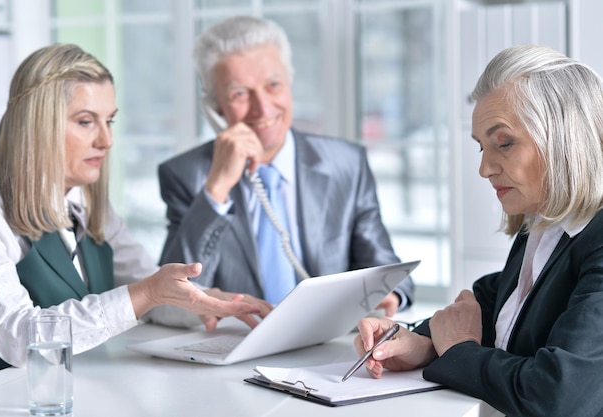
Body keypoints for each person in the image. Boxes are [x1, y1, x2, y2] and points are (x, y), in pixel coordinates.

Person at [0, 43, 271, 378]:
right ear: (36, 125)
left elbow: (151, 289)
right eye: (86, 121)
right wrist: (147, 293)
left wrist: (212, 302)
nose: (106, 140)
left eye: (110, 121)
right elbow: (18, 336)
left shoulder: (86, 204)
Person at [353, 44, 603, 417]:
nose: (485, 169)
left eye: (503, 143)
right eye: (481, 148)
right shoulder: (542, 224)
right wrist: (420, 341)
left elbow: (557, 396)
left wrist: (458, 352)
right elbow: (498, 305)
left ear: (564, 140)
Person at [158, 15, 414, 313]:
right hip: (239, 342)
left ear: (290, 83)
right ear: (215, 107)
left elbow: (385, 266)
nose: (263, 107)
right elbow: (171, 298)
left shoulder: (347, 163)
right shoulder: (185, 175)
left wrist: (390, 295)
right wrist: (216, 190)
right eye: (239, 93)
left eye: (273, 85)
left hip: (327, 343)